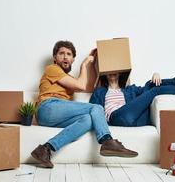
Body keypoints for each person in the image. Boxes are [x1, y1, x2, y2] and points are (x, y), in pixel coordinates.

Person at [31, 40, 138, 169]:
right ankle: (107, 141)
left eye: (69, 54)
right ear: (55, 57)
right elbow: (81, 85)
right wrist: (85, 63)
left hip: (54, 115)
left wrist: (96, 63)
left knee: (88, 120)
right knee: (97, 107)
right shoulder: (52, 69)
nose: (65, 56)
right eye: (61, 53)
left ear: (72, 59)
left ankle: (46, 149)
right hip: (48, 107)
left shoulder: (68, 78)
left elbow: (89, 86)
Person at [90, 66, 175, 127]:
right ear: (105, 73)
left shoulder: (129, 90)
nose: (112, 73)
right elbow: (92, 109)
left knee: (152, 85)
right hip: (117, 117)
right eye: (109, 71)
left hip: (134, 119)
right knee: (154, 91)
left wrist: (156, 74)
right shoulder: (100, 92)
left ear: (119, 73)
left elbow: (148, 88)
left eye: (115, 70)